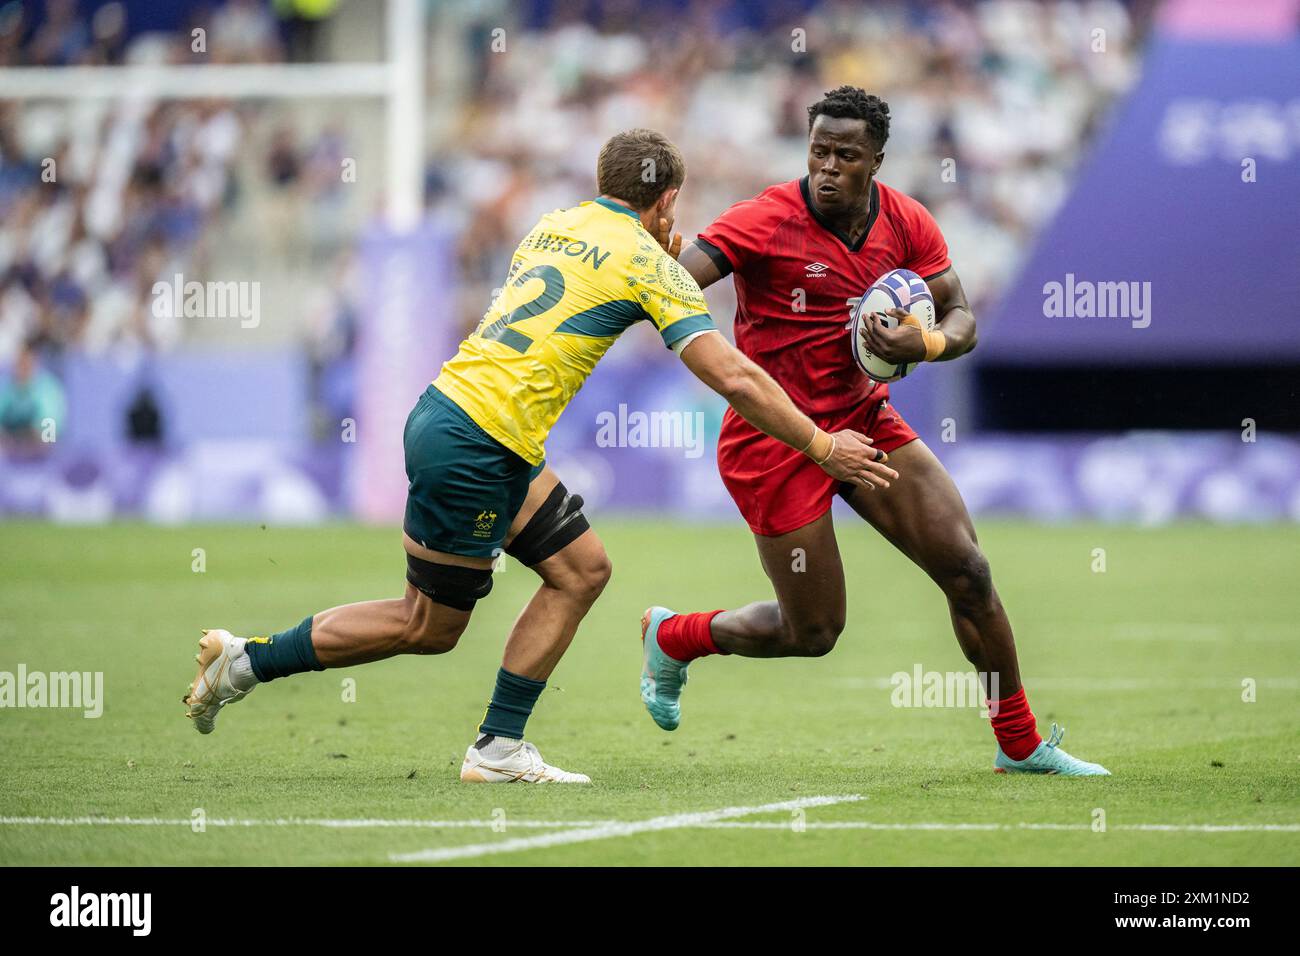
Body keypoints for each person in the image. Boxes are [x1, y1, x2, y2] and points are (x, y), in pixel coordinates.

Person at [183, 128, 894, 783]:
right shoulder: (647, 260)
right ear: (668, 198)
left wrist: (663, 268)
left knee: (582, 570)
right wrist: (821, 445)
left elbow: (601, 284)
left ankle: (499, 745)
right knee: (426, 626)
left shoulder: (555, 223)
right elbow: (731, 375)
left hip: (462, 418)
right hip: (478, 444)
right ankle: (247, 662)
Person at [641, 88, 1109, 776]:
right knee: (815, 633)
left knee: (969, 572)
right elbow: (681, 286)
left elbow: (961, 316)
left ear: (877, 161)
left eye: (846, 155)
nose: (828, 166)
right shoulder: (766, 218)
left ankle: (1021, 744)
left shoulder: (906, 221)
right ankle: (674, 636)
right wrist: (659, 263)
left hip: (863, 419)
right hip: (774, 440)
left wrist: (926, 344)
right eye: (819, 151)